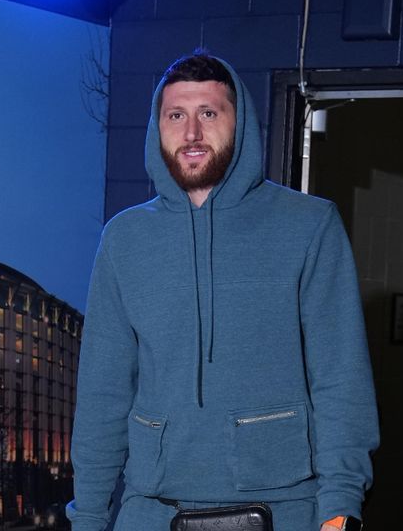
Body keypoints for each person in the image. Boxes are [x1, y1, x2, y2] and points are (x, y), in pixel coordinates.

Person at [67, 51, 378, 531]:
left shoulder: (309, 226)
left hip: (284, 511)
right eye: (177, 115)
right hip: (151, 511)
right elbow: (102, 395)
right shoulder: (124, 239)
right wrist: (87, 517)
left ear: (241, 123)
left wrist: (340, 508)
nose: (191, 132)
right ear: (158, 128)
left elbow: (341, 381)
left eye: (208, 113)